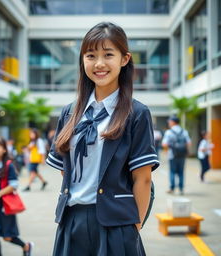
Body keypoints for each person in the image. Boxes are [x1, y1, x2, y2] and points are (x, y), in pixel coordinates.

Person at [46, 22, 159, 256]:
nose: (99, 64)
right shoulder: (69, 113)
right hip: (72, 220)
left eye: (108, 55)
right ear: (83, 60)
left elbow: (143, 178)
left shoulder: (137, 113)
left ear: (124, 59)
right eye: (91, 55)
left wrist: (133, 226)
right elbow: (65, 170)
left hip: (116, 223)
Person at [0, 137, 33, 256]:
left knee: (7, 237)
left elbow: (14, 185)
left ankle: (26, 246)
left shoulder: (9, 165)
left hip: (5, 205)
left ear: (4, 150)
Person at [162, 116, 191, 195]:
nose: (168, 123)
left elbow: (164, 144)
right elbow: (188, 143)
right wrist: (186, 151)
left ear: (173, 122)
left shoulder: (169, 132)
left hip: (172, 155)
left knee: (172, 171)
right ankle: (181, 189)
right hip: (182, 155)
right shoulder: (184, 131)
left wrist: (167, 150)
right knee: (181, 172)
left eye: (169, 121)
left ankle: (172, 188)